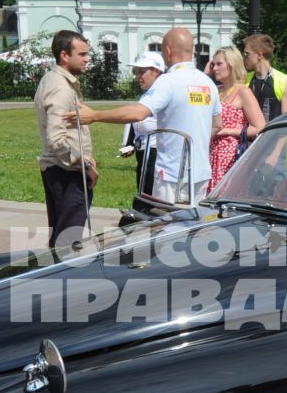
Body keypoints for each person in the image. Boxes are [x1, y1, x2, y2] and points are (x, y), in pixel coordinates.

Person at [73, 26, 219, 205]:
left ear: (167, 50)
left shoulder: (168, 81)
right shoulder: (208, 83)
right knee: (192, 226)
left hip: (172, 174)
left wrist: (95, 115)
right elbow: (217, 124)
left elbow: (138, 112)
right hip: (201, 172)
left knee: (168, 226)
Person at [36, 30, 97, 248]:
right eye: (81, 54)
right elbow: (57, 139)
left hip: (61, 170)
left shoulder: (55, 80)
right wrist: (84, 163)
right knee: (68, 243)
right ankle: (64, 281)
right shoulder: (60, 87)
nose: (87, 58)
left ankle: (57, 278)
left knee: (61, 240)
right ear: (64, 55)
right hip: (66, 173)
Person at [207, 46, 265, 190]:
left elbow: (260, 127)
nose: (214, 68)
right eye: (213, 64)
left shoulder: (243, 91)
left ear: (232, 64)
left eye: (219, 64)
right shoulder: (216, 91)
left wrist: (228, 131)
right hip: (211, 153)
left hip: (231, 156)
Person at [242, 33, 287, 148]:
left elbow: (286, 123)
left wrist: (275, 154)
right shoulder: (245, 80)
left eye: (246, 53)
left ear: (259, 55)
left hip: (272, 147)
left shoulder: (284, 81)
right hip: (249, 145)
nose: (244, 57)